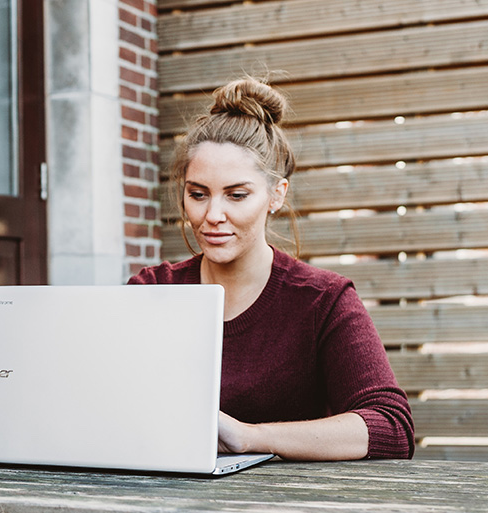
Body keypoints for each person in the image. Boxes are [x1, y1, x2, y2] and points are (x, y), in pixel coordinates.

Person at [128, 76, 414, 460]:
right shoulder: (152, 290)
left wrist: (250, 437)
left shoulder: (323, 300)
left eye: (237, 195)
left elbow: (391, 428)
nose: (213, 215)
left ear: (276, 196)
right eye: (198, 194)